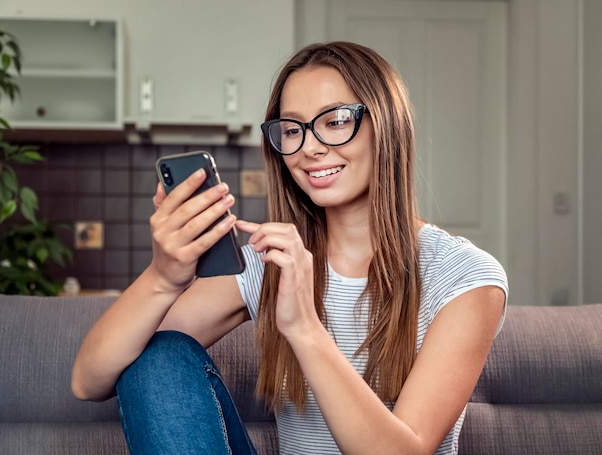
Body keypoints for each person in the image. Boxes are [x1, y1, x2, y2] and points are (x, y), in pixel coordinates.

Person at [72, 41, 508, 455]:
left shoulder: (464, 276)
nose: (311, 148)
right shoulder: (270, 265)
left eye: (335, 121)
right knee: (158, 354)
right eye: (292, 129)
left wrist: (304, 327)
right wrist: (164, 276)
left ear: (386, 124)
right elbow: (89, 381)